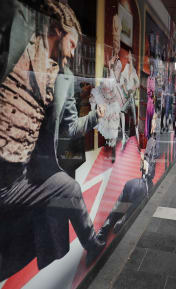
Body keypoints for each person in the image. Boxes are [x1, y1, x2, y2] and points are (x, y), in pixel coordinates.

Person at [0, 0, 106, 280]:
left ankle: (93, 245)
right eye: (72, 44)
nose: (72, 54)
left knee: (69, 188)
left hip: (17, 178)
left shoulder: (64, 77)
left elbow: (70, 129)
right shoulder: (17, 33)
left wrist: (97, 116)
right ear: (58, 31)